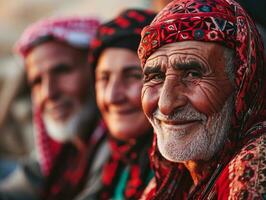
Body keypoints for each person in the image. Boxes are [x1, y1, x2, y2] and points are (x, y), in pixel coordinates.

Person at [137, 0, 266, 199]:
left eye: (192, 74)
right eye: (155, 77)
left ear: (242, 83)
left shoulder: (253, 167)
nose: (166, 104)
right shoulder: (174, 176)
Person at [0, 17, 106, 200]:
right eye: (37, 81)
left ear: (97, 71)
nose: (49, 93)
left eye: (62, 71)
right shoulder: (61, 148)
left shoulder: (117, 148)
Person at [79, 9, 156, 200]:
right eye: (104, 78)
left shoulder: (183, 169)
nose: (113, 96)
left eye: (132, 76)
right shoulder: (108, 158)